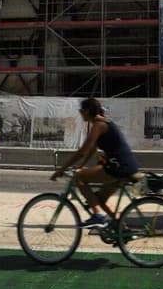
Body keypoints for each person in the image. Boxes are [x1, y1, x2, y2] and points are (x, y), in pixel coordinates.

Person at [50, 98, 140, 228]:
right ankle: (123, 230)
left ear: (86, 111)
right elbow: (92, 149)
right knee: (100, 201)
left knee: (79, 177)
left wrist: (61, 170)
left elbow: (82, 151)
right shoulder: (103, 123)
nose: (80, 114)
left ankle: (98, 215)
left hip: (118, 167)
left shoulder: (99, 125)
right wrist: (81, 165)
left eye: (81, 111)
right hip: (126, 166)